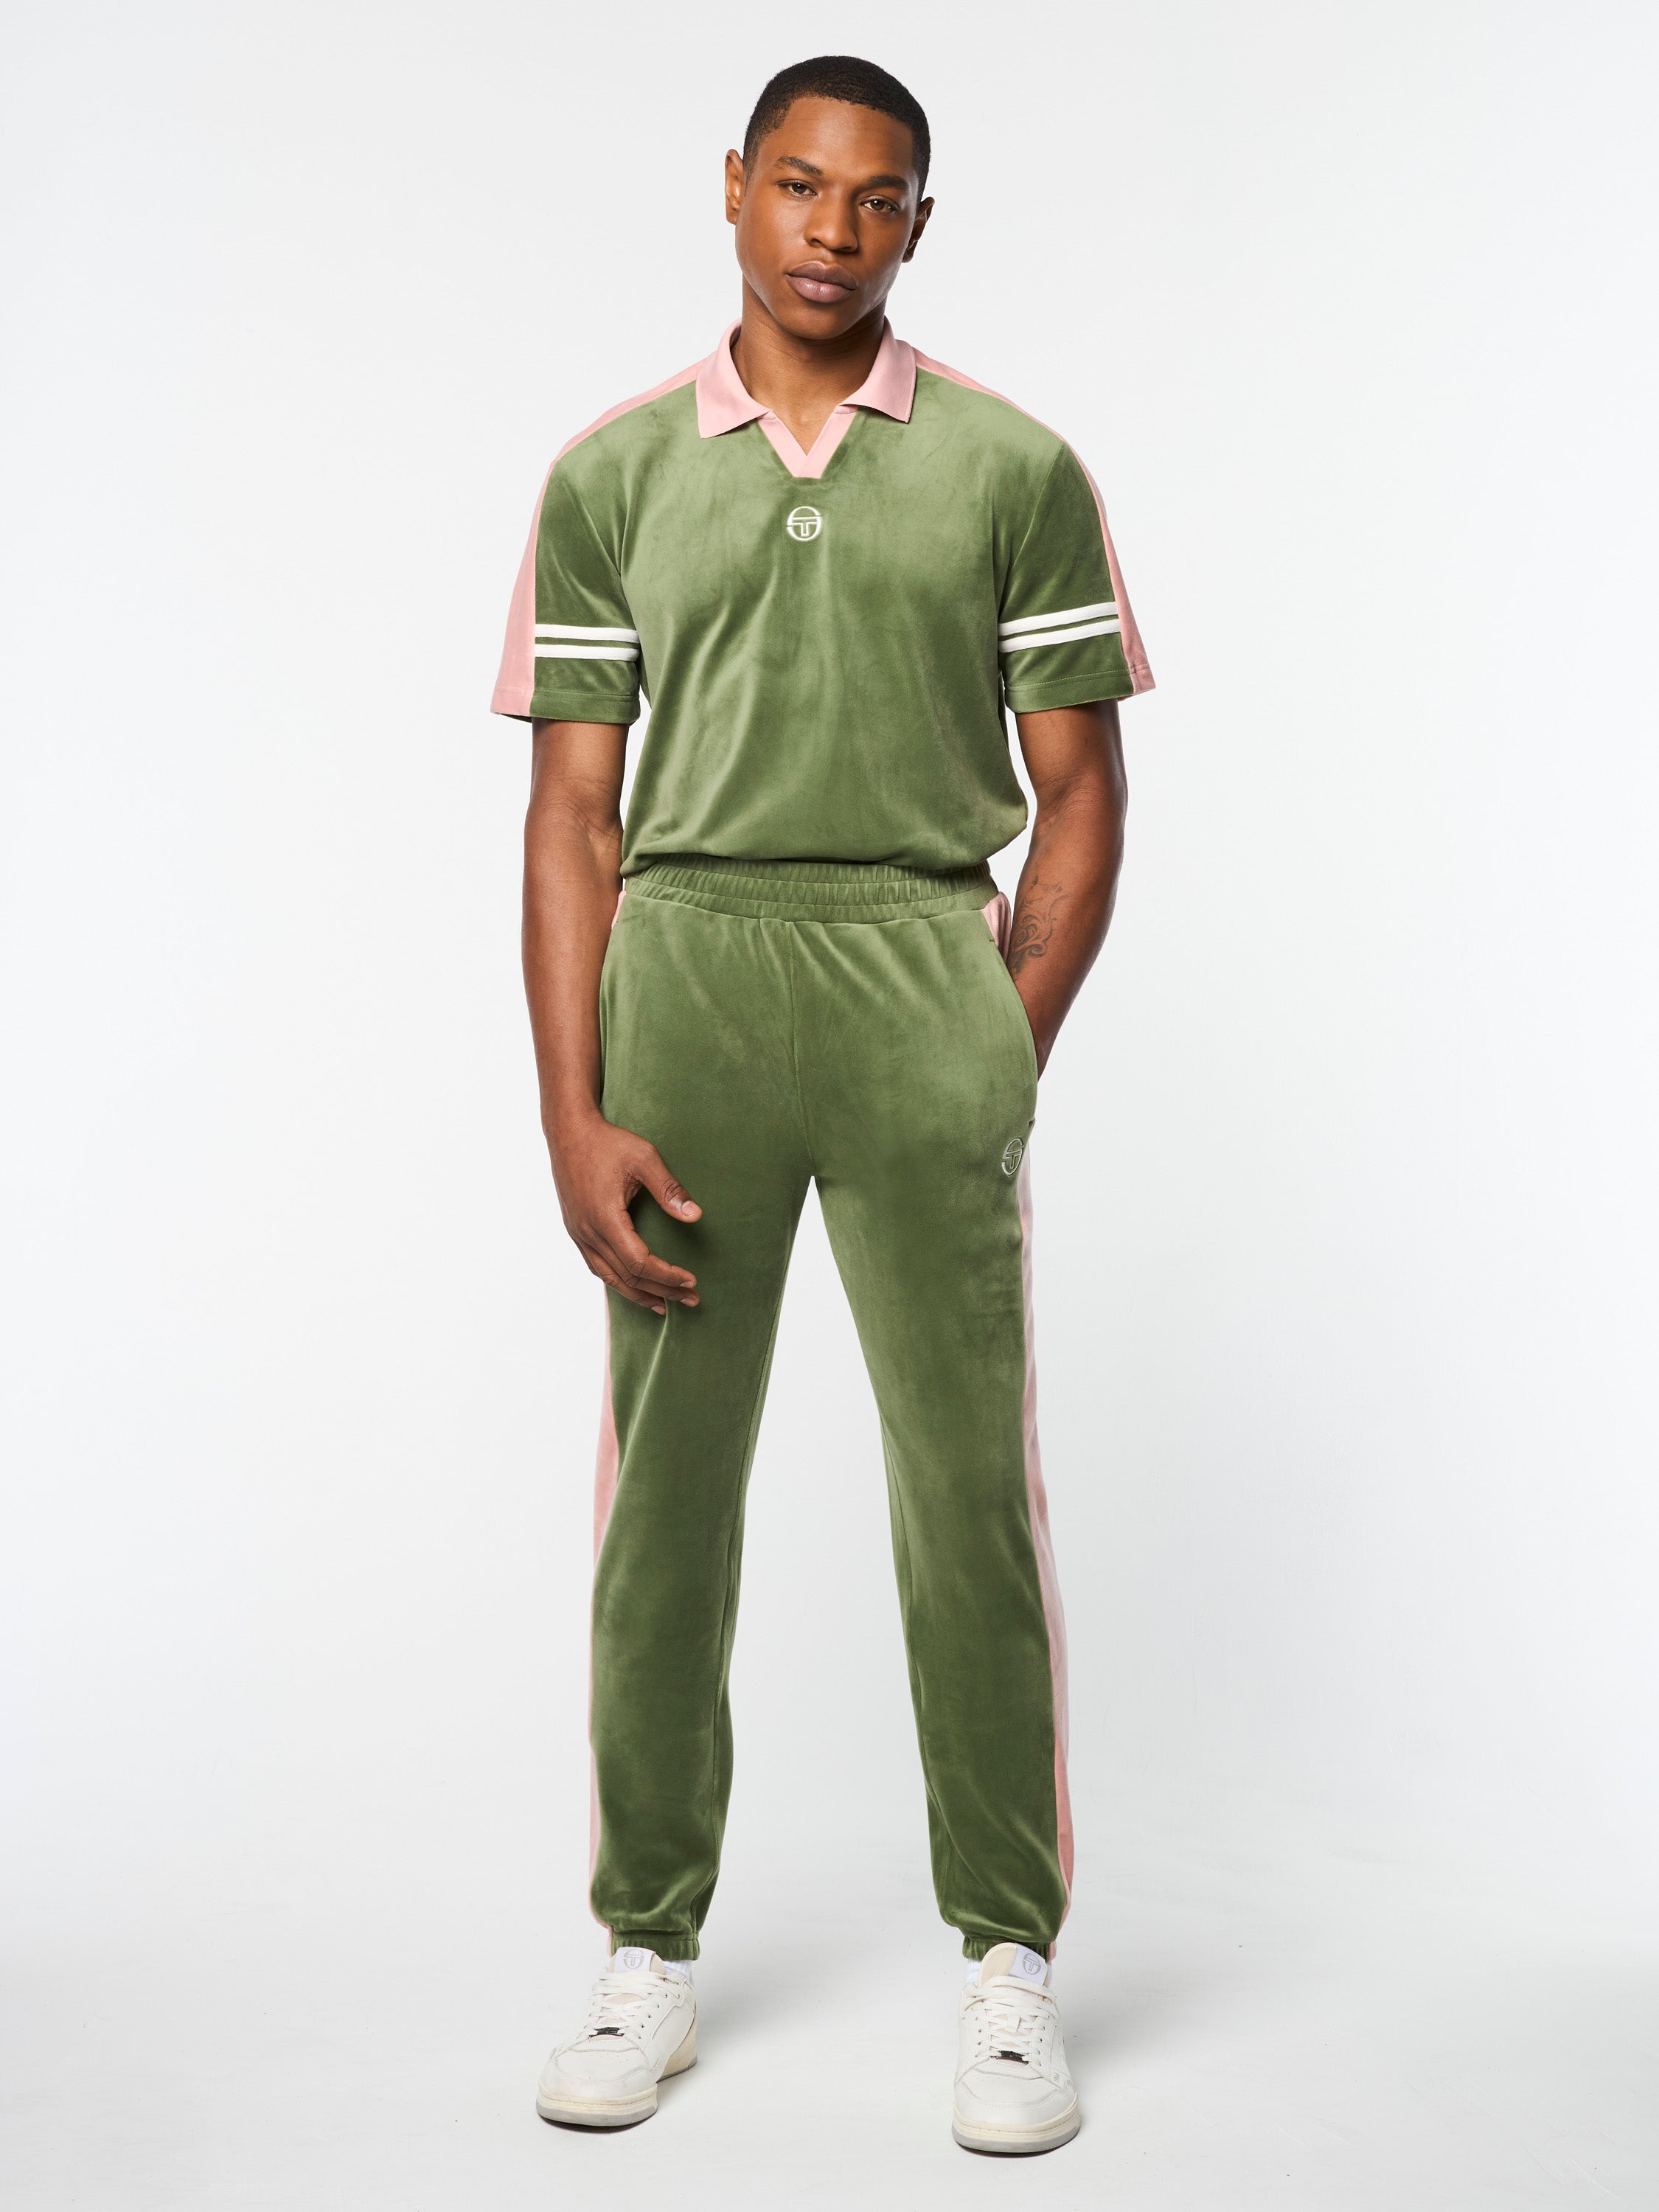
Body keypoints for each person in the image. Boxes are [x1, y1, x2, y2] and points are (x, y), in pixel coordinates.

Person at [492, 53, 1152, 2155]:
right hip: (685, 982)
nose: (831, 231)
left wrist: (994, 1040)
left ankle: (1009, 1959)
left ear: (917, 226)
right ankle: (645, 1950)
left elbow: (1081, 794)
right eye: (798, 186)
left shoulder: (1010, 466)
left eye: (876, 200)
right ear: (733, 189)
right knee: (665, 1502)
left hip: (914, 971)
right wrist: (572, 1107)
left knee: (966, 1493)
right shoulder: (610, 475)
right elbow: (572, 816)